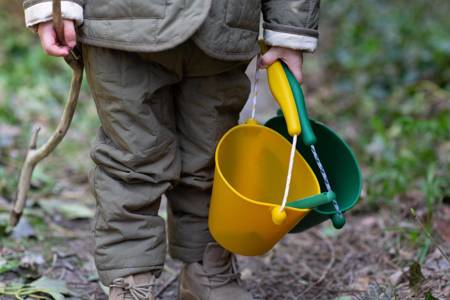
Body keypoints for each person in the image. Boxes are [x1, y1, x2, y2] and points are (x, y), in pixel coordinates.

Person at [23, 1, 320, 299]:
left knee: (213, 155)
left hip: (224, 25)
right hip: (121, 23)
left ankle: (207, 265)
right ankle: (130, 275)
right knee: (132, 159)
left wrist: (289, 29)